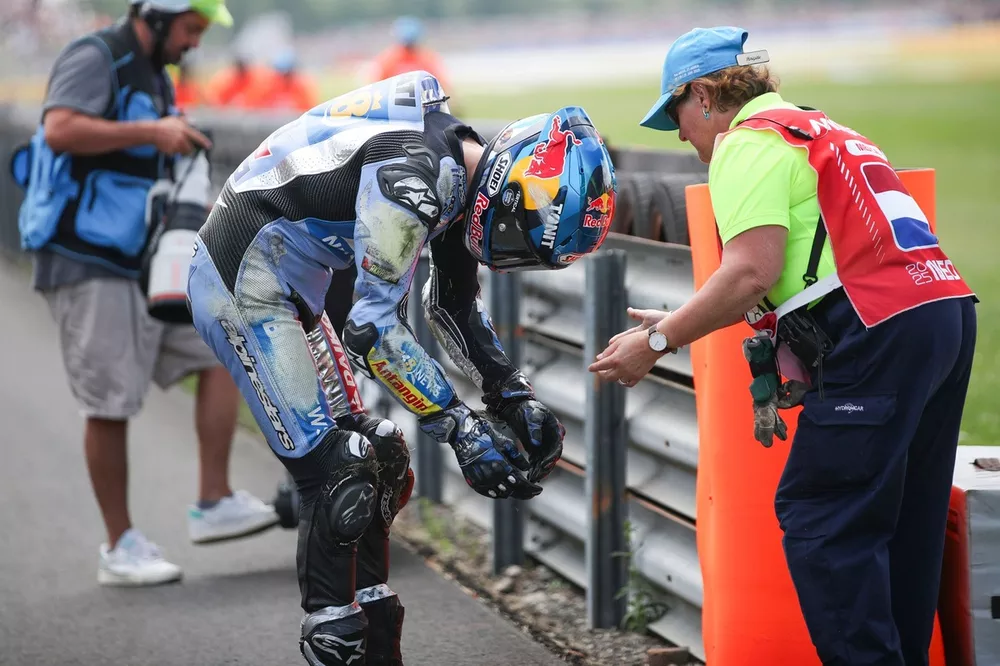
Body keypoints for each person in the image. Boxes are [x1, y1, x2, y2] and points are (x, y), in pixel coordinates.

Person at [185, 70, 616, 665]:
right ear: (508, 186)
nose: (511, 254)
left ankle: (375, 637)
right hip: (243, 281)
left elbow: (453, 307)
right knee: (338, 468)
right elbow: (371, 332)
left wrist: (511, 395)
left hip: (292, 287)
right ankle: (334, 635)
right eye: (521, 235)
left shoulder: (460, 172)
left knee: (382, 453)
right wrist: (461, 428)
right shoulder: (412, 173)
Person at [588, 26, 977, 666]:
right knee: (905, 523)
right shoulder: (821, 128)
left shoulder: (746, 143)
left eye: (677, 114)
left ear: (706, 96)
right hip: (942, 313)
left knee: (821, 516)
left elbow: (749, 273)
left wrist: (657, 340)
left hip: (877, 329)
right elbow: (811, 269)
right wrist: (687, 314)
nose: (682, 136)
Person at [17, 0, 278, 587]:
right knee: (110, 401)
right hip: (86, 259)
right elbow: (58, 130)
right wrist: (152, 131)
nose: (194, 43)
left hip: (143, 259)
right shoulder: (96, 56)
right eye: (190, 29)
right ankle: (120, 545)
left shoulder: (155, 73)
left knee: (220, 351)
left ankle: (213, 500)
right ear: (157, 18)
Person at [370, 16, 450, 91]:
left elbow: (442, 84)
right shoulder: (388, 59)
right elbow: (376, 85)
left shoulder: (428, 58)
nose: (409, 48)